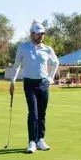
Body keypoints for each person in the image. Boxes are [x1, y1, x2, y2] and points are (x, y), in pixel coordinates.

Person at [10, 20, 59, 153]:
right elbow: (17, 65)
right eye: (38, 34)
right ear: (31, 34)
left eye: (42, 34)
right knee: (33, 113)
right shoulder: (23, 47)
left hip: (43, 84)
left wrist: (50, 78)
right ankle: (32, 141)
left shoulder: (47, 49)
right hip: (29, 84)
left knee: (42, 113)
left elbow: (55, 62)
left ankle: (40, 139)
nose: (41, 36)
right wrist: (13, 82)